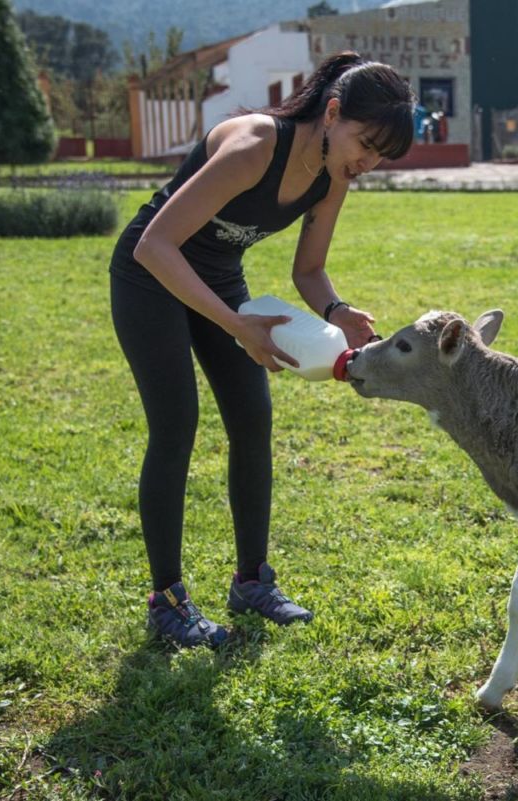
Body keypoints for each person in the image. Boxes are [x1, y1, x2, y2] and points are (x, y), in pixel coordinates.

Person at [109, 52, 414, 648]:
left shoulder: (332, 176)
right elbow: (155, 245)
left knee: (252, 420)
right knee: (176, 426)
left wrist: (337, 311)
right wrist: (234, 325)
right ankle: (167, 601)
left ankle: (252, 582)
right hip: (150, 276)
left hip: (218, 276)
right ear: (332, 113)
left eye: (381, 156)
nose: (368, 163)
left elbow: (311, 270)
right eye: (365, 144)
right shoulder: (253, 146)